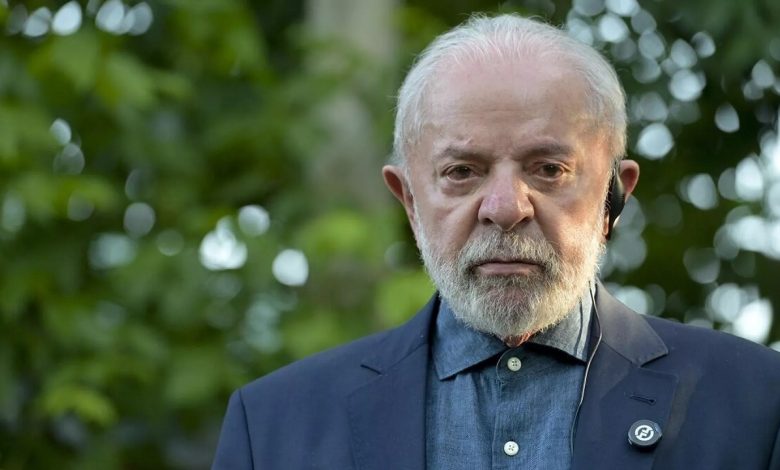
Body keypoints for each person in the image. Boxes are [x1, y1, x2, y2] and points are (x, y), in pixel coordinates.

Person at [213, 14, 780, 470]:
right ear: (409, 201)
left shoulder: (759, 403)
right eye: (462, 172)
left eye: (549, 169)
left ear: (615, 194)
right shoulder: (272, 427)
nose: (506, 208)